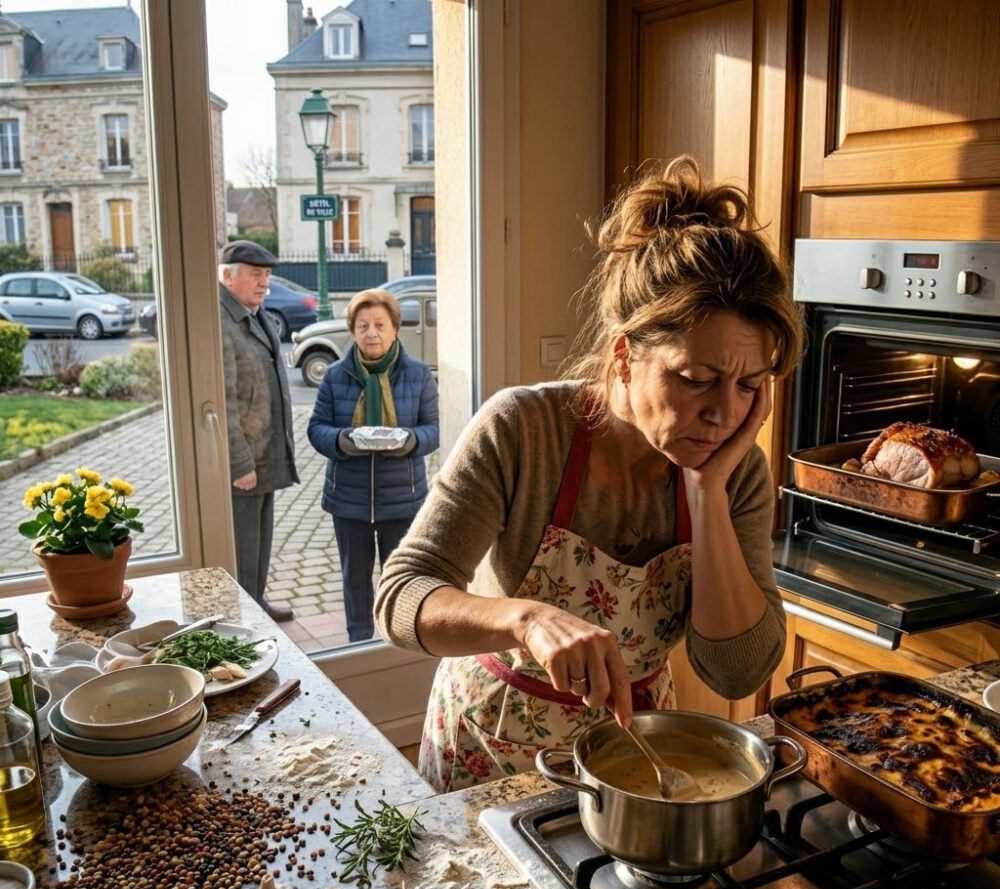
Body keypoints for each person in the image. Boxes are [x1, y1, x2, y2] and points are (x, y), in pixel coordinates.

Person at [374, 155, 805, 792]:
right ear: (626, 356)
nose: (722, 415)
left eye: (749, 386)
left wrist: (707, 492)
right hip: (491, 752)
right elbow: (400, 596)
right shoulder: (524, 430)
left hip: (633, 755)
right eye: (696, 380)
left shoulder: (735, 471)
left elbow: (738, 672)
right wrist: (524, 619)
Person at [307, 288, 439, 642]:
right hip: (348, 501)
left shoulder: (418, 374)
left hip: (403, 498)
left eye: (380, 324)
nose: (372, 333)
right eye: (363, 325)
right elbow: (316, 428)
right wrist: (342, 441)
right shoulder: (335, 375)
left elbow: (433, 429)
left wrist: (411, 441)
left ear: (396, 328)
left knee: (400, 578)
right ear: (352, 330)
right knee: (355, 579)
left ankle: (399, 641)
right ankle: (359, 642)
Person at [218, 239, 298, 623]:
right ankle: (243, 617)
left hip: (265, 452)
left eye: (267, 274)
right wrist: (239, 462)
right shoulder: (220, 321)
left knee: (262, 540)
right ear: (228, 276)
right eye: (255, 274)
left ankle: (258, 603)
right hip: (246, 460)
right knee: (244, 546)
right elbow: (224, 400)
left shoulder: (254, 312)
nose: (264, 282)